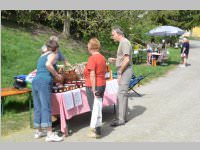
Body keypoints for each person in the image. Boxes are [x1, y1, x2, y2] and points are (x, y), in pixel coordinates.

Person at [32, 40, 64, 142]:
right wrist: (56, 75)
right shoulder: (52, 55)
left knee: (38, 106)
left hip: (35, 82)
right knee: (46, 107)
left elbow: (40, 69)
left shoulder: (41, 56)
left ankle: (38, 131)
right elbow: (48, 65)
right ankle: (50, 134)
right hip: (43, 82)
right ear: (56, 48)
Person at [108, 26, 133, 127]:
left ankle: (120, 119)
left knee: (121, 94)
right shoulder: (122, 43)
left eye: (113, 34)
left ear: (119, 34)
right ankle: (123, 117)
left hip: (125, 71)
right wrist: (116, 60)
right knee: (122, 94)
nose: (112, 36)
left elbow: (127, 60)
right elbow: (124, 58)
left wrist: (119, 72)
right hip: (124, 70)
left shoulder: (125, 42)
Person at [84, 38, 107, 138]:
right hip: (101, 84)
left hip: (94, 85)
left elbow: (92, 74)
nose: (87, 46)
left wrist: (93, 89)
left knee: (94, 108)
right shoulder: (102, 57)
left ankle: (96, 131)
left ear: (91, 47)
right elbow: (104, 71)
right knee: (98, 107)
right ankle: (97, 130)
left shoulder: (92, 58)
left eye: (88, 45)